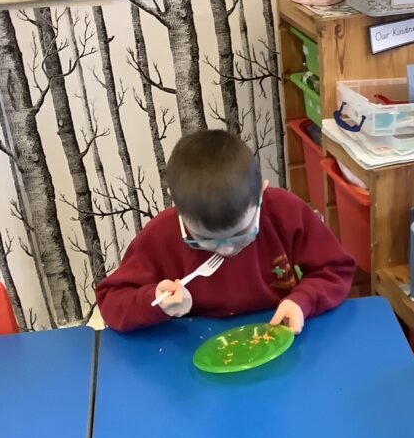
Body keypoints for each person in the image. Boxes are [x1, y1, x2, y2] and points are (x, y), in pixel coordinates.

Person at [96, 130, 355, 332]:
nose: (226, 249)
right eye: (204, 240)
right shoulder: (162, 234)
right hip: (196, 353)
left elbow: (335, 269)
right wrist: (155, 301)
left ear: (261, 192)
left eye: (242, 233)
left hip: (279, 334)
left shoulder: (284, 212)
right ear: (177, 206)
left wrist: (302, 300)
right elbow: (111, 300)